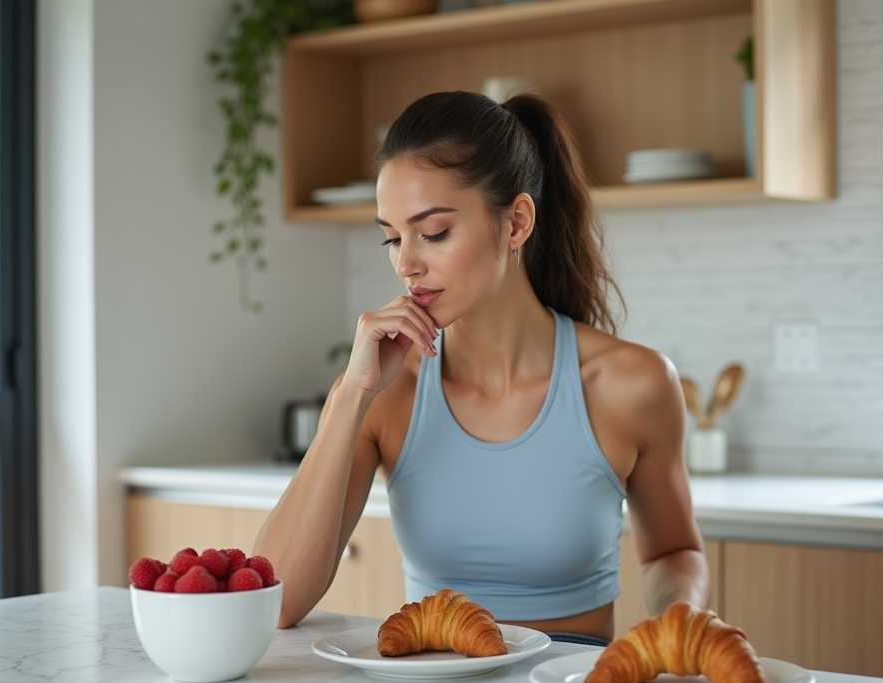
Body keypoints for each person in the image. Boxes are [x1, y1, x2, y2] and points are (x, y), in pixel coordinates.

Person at [255, 91, 708, 645]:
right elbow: (275, 602)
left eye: (435, 232)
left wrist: (681, 615)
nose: (406, 263)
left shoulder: (631, 385)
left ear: (516, 222)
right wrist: (351, 395)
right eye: (392, 238)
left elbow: (673, 551)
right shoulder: (386, 393)